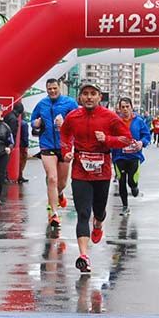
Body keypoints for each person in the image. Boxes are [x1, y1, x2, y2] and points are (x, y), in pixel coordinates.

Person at [59, 83, 135, 273]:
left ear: (100, 97)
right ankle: (84, 256)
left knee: (98, 210)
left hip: (102, 171)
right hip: (80, 170)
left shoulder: (110, 117)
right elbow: (65, 135)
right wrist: (67, 152)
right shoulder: (73, 116)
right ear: (80, 98)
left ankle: (99, 223)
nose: (89, 97)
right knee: (83, 213)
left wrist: (107, 140)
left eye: (93, 94)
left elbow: (127, 138)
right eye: (85, 94)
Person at [30, 79, 77, 230]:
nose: (52, 91)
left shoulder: (69, 103)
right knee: (52, 178)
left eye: (54, 88)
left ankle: (60, 194)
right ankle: (54, 213)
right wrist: (35, 123)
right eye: (49, 89)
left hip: (64, 145)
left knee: (62, 183)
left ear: (59, 88)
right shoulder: (42, 104)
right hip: (47, 144)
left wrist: (65, 124)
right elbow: (32, 120)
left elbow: (79, 120)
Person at [113, 97, 151, 215]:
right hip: (119, 157)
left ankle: (134, 188)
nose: (125, 109)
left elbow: (146, 136)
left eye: (127, 107)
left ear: (131, 107)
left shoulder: (139, 121)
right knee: (121, 181)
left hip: (134, 156)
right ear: (119, 109)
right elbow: (109, 136)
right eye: (122, 107)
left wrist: (141, 143)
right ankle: (125, 206)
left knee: (131, 181)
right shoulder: (115, 121)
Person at [4, 102, 30, 183]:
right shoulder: (14, 119)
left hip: (5, 142)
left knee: (5, 160)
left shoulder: (8, 116)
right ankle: (6, 178)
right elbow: (12, 132)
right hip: (10, 143)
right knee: (10, 161)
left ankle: (6, 177)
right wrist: (12, 143)